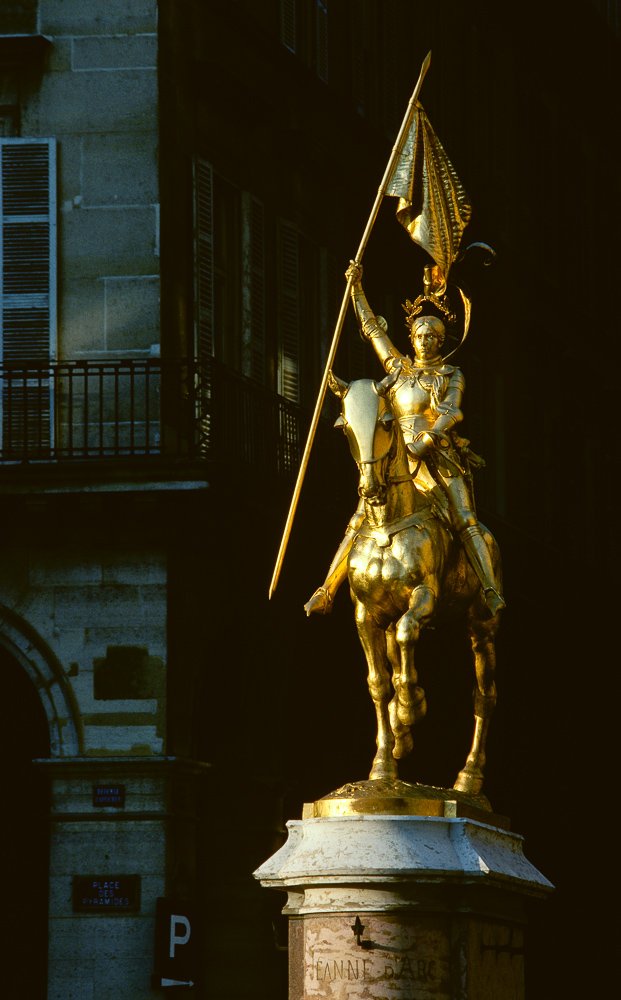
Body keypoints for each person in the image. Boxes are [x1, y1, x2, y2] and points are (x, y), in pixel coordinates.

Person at [304, 260, 505, 617]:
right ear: (411, 338)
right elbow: (372, 331)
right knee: (360, 516)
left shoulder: (450, 374)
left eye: (432, 337)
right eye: (419, 336)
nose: (425, 341)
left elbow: (452, 412)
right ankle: (326, 589)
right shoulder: (398, 370)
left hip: (436, 455)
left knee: (465, 519)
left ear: (440, 341)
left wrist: (428, 439)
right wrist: (356, 288)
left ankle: (489, 588)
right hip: (395, 451)